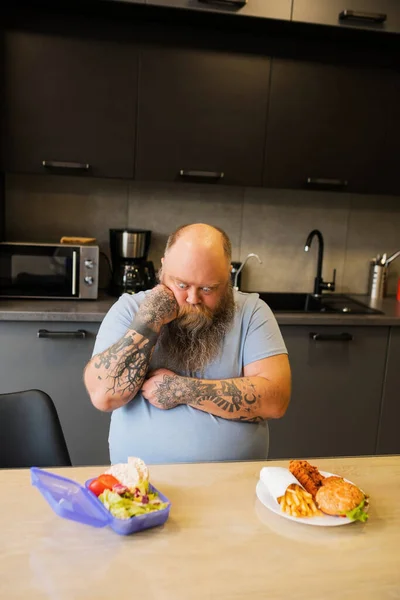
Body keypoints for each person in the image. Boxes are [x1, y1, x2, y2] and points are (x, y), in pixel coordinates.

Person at [84, 223, 291, 464]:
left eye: (207, 288)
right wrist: (149, 320)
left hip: (234, 481)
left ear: (227, 278)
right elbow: (104, 396)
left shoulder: (252, 312)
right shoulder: (129, 310)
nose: (193, 299)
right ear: (162, 268)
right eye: (181, 285)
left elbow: (275, 400)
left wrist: (181, 390)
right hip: (142, 487)